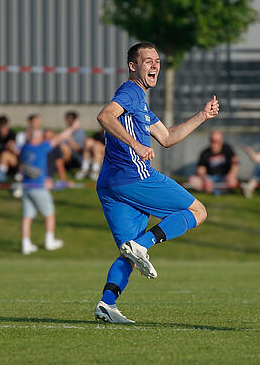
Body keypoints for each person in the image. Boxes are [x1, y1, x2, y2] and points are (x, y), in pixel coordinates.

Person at [93, 42, 219, 324]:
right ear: (133, 66)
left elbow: (167, 138)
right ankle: (146, 243)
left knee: (130, 250)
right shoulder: (130, 92)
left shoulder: (140, 102)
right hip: (134, 176)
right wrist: (136, 145)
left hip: (110, 185)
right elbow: (104, 116)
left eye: (157, 61)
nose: (154, 65)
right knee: (198, 211)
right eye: (147, 60)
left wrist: (203, 115)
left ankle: (107, 304)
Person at [18, 120, 81, 255]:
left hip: (26, 187)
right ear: (37, 138)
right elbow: (59, 138)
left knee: (27, 217)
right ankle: (49, 241)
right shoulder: (41, 147)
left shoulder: (25, 148)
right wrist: (72, 127)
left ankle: (25, 243)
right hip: (39, 187)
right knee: (50, 214)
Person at [50, 111, 87, 183]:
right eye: (67, 119)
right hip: (63, 154)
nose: (68, 121)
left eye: (70, 119)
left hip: (75, 157)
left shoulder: (80, 133)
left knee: (62, 147)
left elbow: (79, 149)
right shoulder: (66, 131)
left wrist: (70, 140)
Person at [0, 115, 17, 181]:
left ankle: (1, 174)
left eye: (4, 126)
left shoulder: (12, 135)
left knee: (5, 154)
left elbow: (13, 149)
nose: (3, 129)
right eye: (1, 126)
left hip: (12, 161)